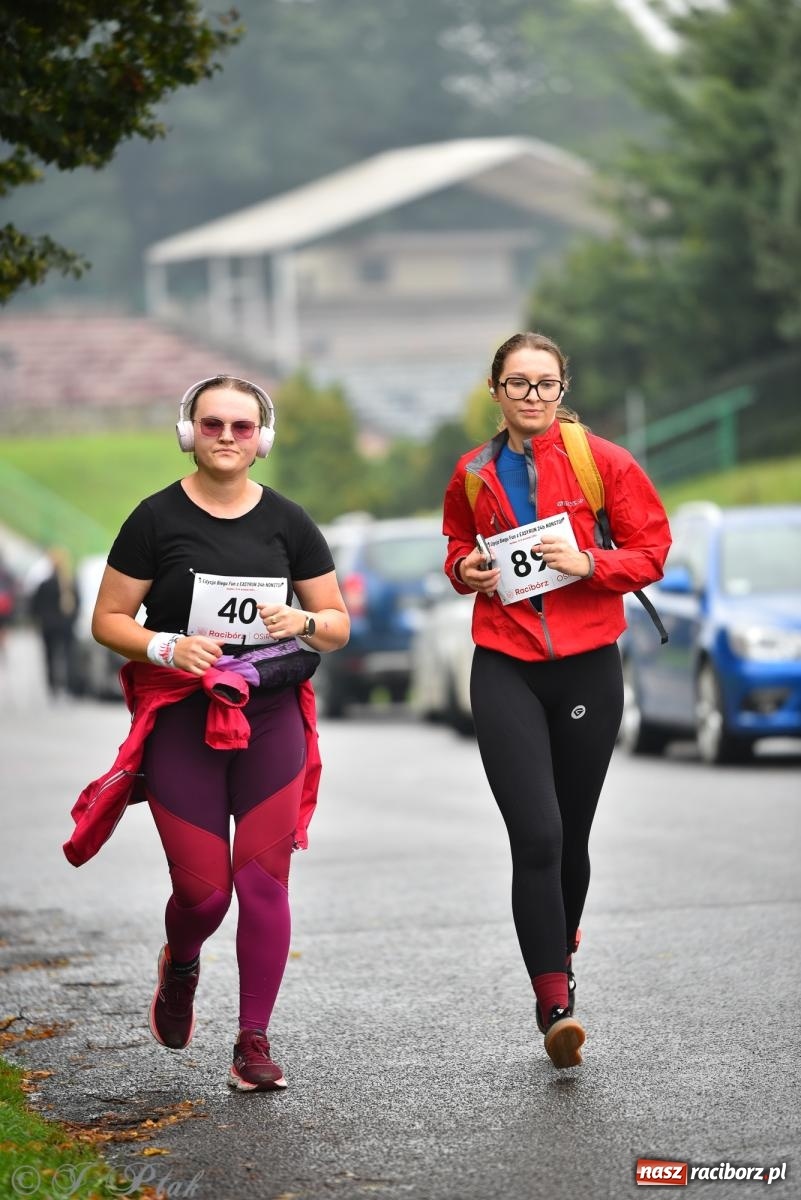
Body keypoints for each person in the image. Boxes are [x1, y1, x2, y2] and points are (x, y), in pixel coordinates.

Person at [67, 374, 349, 1092]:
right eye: (214, 424)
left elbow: (337, 624)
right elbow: (108, 621)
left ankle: (252, 1042)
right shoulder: (154, 519)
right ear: (189, 432)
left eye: (242, 426)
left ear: (263, 440)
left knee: (263, 884)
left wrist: (304, 622)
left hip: (269, 718)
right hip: (183, 722)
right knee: (204, 896)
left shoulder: (289, 522)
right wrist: (165, 647)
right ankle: (182, 964)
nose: (228, 437)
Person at [442, 332, 671, 1070]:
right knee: (535, 835)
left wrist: (588, 562)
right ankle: (553, 1004)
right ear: (495, 390)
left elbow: (652, 553)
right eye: (518, 384)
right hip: (504, 663)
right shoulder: (473, 472)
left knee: (570, 837)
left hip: (586, 668)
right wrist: (465, 569)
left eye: (544, 384)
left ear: (561, 388)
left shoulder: (604, 463)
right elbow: (455, 543)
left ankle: (559, 945)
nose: (532, 396)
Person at [29, 545, 80, 697]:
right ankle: (69, 685)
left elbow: (35, 606)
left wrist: (40, 620)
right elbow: (77, 604)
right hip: (65, 626)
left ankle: (53, 686)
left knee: (50, 656)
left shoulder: (44, 584)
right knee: (68, 656)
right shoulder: (70, 584)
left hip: (48, 626)